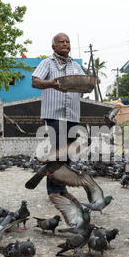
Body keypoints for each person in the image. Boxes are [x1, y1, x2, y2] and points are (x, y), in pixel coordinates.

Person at [32, 33, 86, 197]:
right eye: (61, 42)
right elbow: (35, 81)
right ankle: (55, 190)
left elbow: (84, 84)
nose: (65, 44)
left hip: (72, 114)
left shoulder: (76, 66)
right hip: (54, 114)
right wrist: (51, 84)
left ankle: (61, 188)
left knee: (67, 153)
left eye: (67, 42)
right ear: (53, 46)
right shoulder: (47, 63)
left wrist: (85, 84)